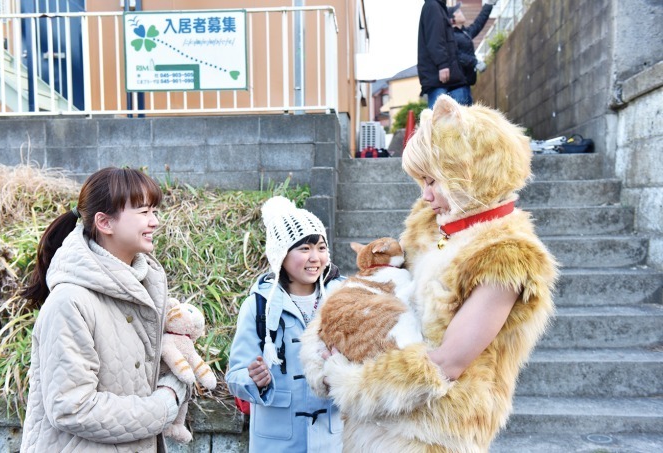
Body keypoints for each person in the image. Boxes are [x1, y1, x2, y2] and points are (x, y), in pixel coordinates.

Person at [300, 95, 558, 451]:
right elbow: (383, 284)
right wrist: (323, 337)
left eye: (433, 181)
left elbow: (447, 364)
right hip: (379, 420)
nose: (426, 195)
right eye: (422, 180)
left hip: (433, 433)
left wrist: (347, 380)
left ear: (476, 172)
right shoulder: (435, 224)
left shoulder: (506, 255)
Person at [20, 167, 188, 452]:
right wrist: (163, 406)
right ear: (105, 223)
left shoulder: (143, 285)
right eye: (143, 212)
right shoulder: (70, 301)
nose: (154, 222)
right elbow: (72, 407)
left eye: (154, 211)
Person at [226, 196, 345, 452]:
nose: (315, 257)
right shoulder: (258, 306)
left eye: (321, 248)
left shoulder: (343, 299)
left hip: (333, 440)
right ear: (281, 254)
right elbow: (235, 376)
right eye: (304, 249)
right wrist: (254, 379)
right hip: (276, 443)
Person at [418, 0, 467, 108]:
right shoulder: (433, 6)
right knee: (440, 120)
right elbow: (434, 38)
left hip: (443, 78)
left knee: (446, 119)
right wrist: (442, 64)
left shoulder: (438, 6)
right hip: (438, 77)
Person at [448, 0, 498, 105]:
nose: (461, 12)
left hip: (465, 85)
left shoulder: (465, 33)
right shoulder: (451, 36)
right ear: (452, 20)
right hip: (457, 87)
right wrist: (475, 62)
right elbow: (456, 56)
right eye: (457, 12)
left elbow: (479, 23)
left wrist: (489, 5)